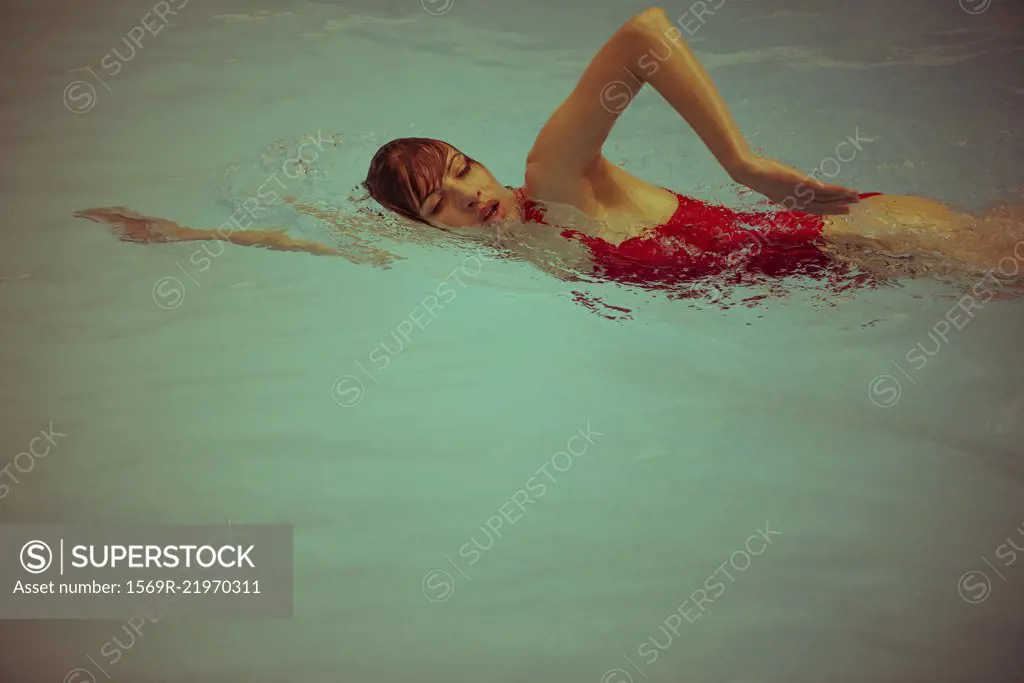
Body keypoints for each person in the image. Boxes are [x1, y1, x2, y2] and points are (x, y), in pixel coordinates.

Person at [77, 7, 1021, 291]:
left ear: (482, 162)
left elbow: (645, 34)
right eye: (440, 204)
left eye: (460, 172)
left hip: (854, 244)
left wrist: (743, 165)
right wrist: (182, 233)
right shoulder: (504, 245)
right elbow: (328, 242)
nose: (467, 199)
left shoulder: (552, 177)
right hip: (841, 281)